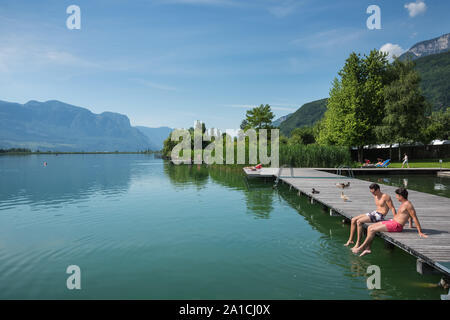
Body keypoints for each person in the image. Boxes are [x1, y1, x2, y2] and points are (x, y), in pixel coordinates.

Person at [352, 188, 427, 257]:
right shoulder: (404, 203)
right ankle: (368, 249)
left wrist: (419, 232)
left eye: (397, 196)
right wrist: (410, 225)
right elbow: (408, 216)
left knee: (372, 230)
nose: (396, 197)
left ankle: (361, 248)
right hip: (392, 222)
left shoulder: (408, 205)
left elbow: (414, 217)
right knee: (370, 227)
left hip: (397, 226)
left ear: (401, 196)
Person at [344, 183, 396, 248]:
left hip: (380, 215)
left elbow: (392, 208)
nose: (373, 194)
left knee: (359, 221)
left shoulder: (386, 196)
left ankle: (358, 242)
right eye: (371, 192)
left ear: (378, 190)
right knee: (353, 219)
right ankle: (350, 240)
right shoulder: (375, 195)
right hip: (375, 212)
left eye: (373, 192)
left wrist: (395, 219)